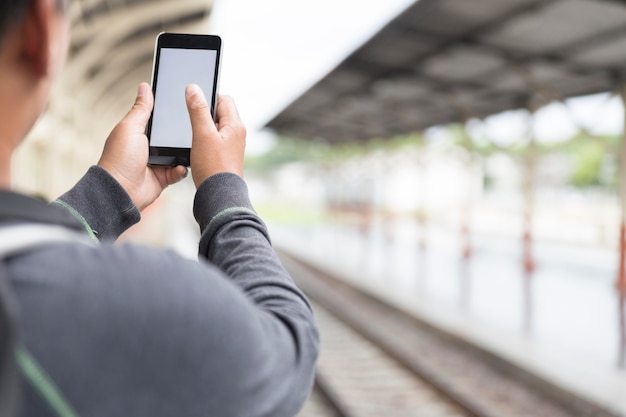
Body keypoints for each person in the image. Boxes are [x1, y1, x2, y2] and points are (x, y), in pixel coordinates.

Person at [0, 0, 319, 416]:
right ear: (40, 32)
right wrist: (226, 195)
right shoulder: (151, 303)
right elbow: (289, 345)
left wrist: (107, 194)